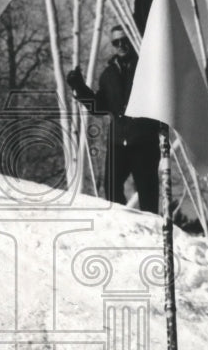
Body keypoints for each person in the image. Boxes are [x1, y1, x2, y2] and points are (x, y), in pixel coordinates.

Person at [66, 25, 160, 214]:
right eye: (116, 42)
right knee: (111, 187)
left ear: (132, 40)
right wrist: (79, 87)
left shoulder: (147, 66)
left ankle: (153, 233)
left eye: (124, 40)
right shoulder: (108, 74)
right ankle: (124, 222)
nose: (121, 45)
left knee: (147, 192)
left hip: (143, 139)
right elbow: (99, 107)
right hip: (118, 140)